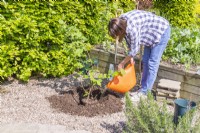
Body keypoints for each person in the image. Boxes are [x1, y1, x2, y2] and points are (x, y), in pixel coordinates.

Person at [108, 10, 170, 102]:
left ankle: (145, 93)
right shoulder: (122, 21)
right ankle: (143, 89)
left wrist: (122, 63)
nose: (117, 37)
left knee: (152, 63)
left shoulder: (132, 28)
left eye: (117, 34)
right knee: (145, 61)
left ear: (120, 29)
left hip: (161, 31)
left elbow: (134, 50)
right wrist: (131, 57)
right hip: (150, 36)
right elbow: (129, 40)